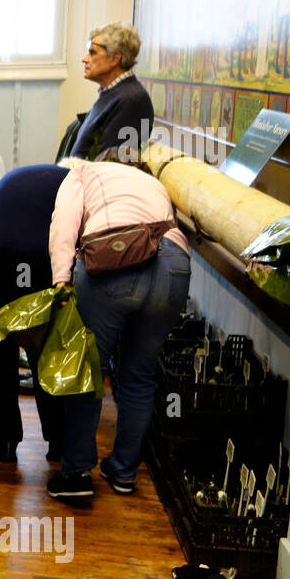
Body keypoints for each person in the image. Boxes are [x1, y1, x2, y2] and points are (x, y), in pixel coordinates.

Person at [46, 157, 190, 500]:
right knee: (139, 375)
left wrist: (61, 281)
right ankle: (123, 472)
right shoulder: (155, 184)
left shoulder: (82, 171)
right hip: (173, 263)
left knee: (89, 370)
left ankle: (77, 474)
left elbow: (63, 223)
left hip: (114, 257)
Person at [0, 164, 68, 464]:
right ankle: (58, 442)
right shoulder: (73, 185)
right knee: (44, 351)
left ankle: (5, 440)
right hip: (34, 260)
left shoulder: (13, 178)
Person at [69, 23, 154, 161]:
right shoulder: (113, 93)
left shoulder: (132, 101)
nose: (84, 59)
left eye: (93, 53)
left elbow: (109, 165)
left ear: (115, 58)